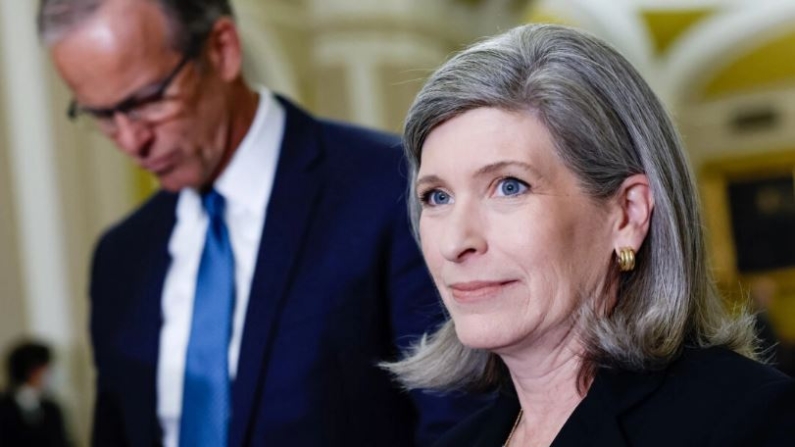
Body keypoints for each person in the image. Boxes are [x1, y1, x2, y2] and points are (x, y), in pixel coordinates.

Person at [36, 0, 482, 446]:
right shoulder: (120, 256)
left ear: (222, 50)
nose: (133, 140)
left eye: (149, 100)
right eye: (101, 115)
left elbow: (459, 422)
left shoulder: (390, 187)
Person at [385, 24, 795, 446]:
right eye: (436, 197)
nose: (455, 243)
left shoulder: (748, 421)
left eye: (510, 186)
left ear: (627, 215)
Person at [0, 341, 70, 447]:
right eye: (47, 367)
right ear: (33, 370)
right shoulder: (5, 408)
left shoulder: (51, 408)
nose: (51, 373)